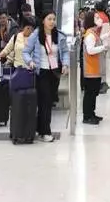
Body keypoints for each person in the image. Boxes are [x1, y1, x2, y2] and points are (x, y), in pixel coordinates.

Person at [23, 11, 70, 142]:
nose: (52, 22)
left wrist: (65, 64)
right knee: (46, 102)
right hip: (41, 72)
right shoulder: (36, 35)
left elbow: (65, 52)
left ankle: (40, 128)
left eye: (54, 19)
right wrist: (30, 61)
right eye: (49, 19)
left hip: (54, 73)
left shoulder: (59, 36)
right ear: (43, 21)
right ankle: (46, 132)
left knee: (47, 102)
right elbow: (25, 52)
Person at [82, 11, 107, 125]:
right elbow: (90, 50)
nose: (99, 19)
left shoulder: (93, 33)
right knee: (90, 94)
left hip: (95, 69)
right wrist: (103, 47)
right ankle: (87, 116)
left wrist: (108, 34)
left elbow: (99, 39)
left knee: (93, 93)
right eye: (96, 17)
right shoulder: (90, 34)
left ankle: (91, 113)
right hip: (91, 69)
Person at [94, 2, 110, 93]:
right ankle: (104, 82)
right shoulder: (106, 16)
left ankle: (102, 84)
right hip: (105, 43)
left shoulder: (98, 16)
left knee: (99, 65)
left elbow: (96, 30)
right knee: (103, 64)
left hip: (100, 43)